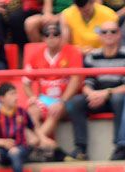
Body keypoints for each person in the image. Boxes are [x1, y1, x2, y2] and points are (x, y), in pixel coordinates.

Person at [66, 19, 125, 161]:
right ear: (99, 35)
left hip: (115, 97)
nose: (109, 35)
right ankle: (81, 148)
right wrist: (92, 94)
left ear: (119, 34)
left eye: (113, 31)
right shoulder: (92, 56)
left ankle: (119, 147)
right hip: (97, 97)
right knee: (76, 102)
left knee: (119, 99)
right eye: (104, 32)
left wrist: (105, 93)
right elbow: (87, 83)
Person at [23, 23, 83, 157]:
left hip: (67, 99)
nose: (51, 38)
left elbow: (75, 81)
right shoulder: (36, 55)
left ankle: (32, 143)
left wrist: (62, 101)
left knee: (54, 110)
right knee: (32, 109)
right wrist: (32, 96)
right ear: (43, 38)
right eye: (47, 35)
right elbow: (26, 82)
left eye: (55, 34)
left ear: (61, 37)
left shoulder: (72, 52)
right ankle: (43, 142)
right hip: (45, 98)